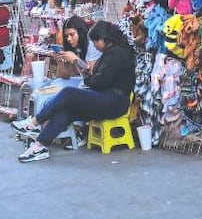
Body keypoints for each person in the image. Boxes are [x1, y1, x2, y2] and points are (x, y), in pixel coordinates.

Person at [11, 21, 136, 163]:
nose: (95, 45)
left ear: (103, 39)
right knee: (67, 112)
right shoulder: (109, 54)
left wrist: (89, 79)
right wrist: (89, 75)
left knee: (68, 93)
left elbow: (99, 82)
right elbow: (97, 79)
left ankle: (33, 123)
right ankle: (39, 146)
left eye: (96, 42)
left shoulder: (117, 54)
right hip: (106, 98)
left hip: (115, 102)